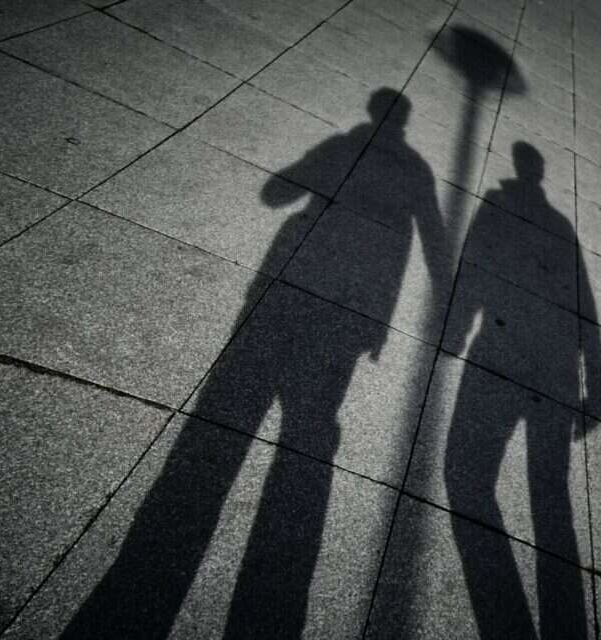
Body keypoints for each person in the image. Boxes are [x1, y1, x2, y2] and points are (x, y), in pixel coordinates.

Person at [60, 88, 452, 639]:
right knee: (310, 433)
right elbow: (434, 244)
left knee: (222, 424)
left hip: (287, 292)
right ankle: (277, 588)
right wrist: (441, 314)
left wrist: (319, 180)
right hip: (352, 314)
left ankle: (152, 569)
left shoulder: (341, 147)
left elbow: (275, 193)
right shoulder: (417, 171)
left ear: (372, 114)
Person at [444, 141, 601, 639]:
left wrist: (454, 331)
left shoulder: (495, 207)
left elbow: (472, 269)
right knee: (550, 496)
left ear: (518, 170)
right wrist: (597, 379)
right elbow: (584, 305)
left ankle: (504, 623)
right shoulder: (561, 226)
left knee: (466, 477)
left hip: (498, 351)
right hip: (557, 371)